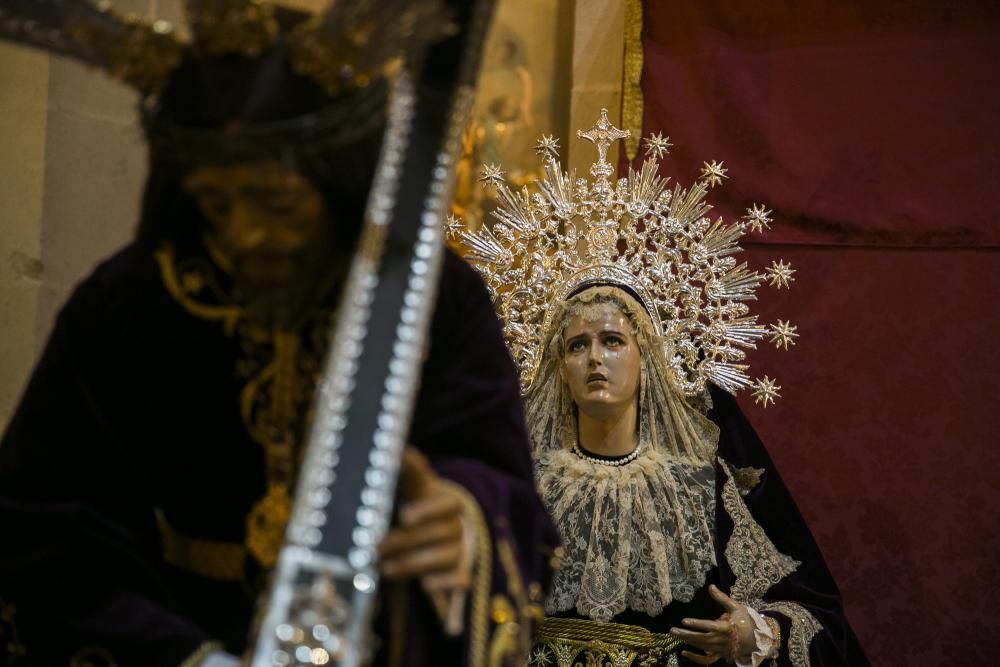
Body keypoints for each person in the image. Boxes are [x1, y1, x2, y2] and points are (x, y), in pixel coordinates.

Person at [0, 1, 559, 665]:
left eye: (277, 203)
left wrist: (462, 519)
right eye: (217, 203)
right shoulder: (131, 301)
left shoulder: (437, 298)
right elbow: (45, 518)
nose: (243, 232)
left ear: (339, 183)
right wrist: (188, 656)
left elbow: (498, 478)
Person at [451, 111, 869, 666]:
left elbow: (810, 609)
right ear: (557, 365)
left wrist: (752, 634)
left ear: (648, 360)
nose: (595, 358)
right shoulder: (521, 483)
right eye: (577, 346)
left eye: (613, 341)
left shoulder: (700, 483)